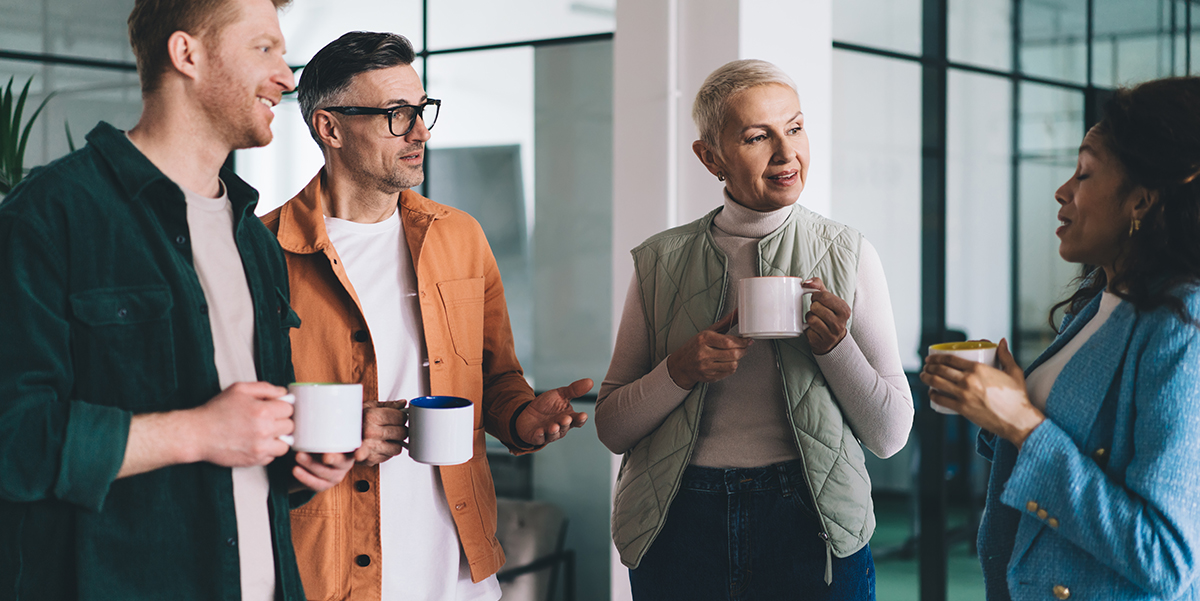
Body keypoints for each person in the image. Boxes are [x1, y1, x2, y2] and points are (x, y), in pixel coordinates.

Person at [0, 0, 356, 599]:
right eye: (264, 48)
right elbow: (14, 441)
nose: (288, 77)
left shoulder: (253, 239)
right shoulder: (49, 215)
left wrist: (300, 462)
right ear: (186, 53)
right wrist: (196, 433)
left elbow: (245, 445)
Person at [261, 31, 593, 601]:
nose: (420, 131)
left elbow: (495, 378)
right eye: (395, 114)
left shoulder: (459, 237)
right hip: (329, 571)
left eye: (420, 110)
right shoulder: (264, 253)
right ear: (329, 128)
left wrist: (522, 420)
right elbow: (243, 413)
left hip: (460, 572)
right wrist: (340, 432)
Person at [597, 59, 913, 599]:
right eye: (757, 137)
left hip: (813, 522)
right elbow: (611, 427)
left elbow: (890, 436)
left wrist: (836, 350)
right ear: (710, 156)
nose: (787, 153)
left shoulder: (850, 254)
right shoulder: (660, 262)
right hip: (679, 521)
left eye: (794, 128)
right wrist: (680, 370)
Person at [922, 77, 1200, 601]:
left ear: (1141, 201)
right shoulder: (1105, 299)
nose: (1062, 190)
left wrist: (1020, 422)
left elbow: (1165, 557)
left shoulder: (1182, 326)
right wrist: (999, 403)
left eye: (1085, 172)